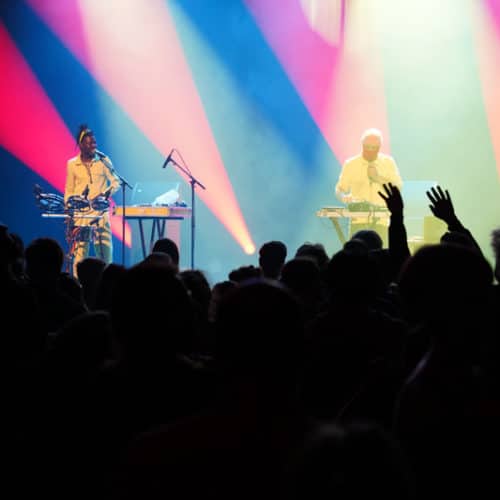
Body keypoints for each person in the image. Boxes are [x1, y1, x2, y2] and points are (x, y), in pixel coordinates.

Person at [64, 125, 120, 276]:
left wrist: (104, 194)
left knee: (105, 254)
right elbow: (69, 190)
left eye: (95, 143)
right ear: (81, 144)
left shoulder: (103, 160)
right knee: (80, 254)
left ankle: (106, 282)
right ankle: (77, 283)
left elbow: (116, 182)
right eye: (90, 143)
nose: (93, 146)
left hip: (100, 215)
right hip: (81, 215)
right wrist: (69, 213)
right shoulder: (72, 164)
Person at [335, 128, 403, 247]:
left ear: (379, 147)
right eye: (367, 147)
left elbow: (397, 187)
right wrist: (343, 197)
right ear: (362, 145)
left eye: (374, 148)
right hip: (358, 220)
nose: (370, 150)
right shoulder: (351, 164)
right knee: (356, 253)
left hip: (381, 220)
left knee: (380, 253)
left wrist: (378, 178)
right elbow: (339, 189)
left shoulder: (388, 163)